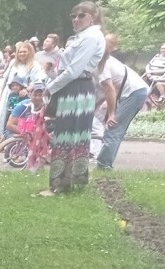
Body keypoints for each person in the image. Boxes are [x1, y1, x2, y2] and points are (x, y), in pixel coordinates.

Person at [42, 1, 105, 195]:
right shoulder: (83, 36)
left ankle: (61, 185)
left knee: (69, 133)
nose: (76, 19)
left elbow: (74, 70)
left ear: (92, 17)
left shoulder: (91, 37)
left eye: (81, 15)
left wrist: (50, 87)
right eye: (73, 16)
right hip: (75, 87)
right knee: (68, 133)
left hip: (77, 87)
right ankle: (65, 183)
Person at [96, 32, 150, 170]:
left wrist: (112, 114)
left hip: (135, 92)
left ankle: (104, 166)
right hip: (136, 91)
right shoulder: (103, 60)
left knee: (113, 127)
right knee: (115, 129)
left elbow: (110, 89)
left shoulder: (102, 63)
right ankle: (104, 164)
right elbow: (105, 91)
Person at [0, 42, 46, 136]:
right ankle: (2, 136)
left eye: (24, 52)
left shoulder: (35, 65)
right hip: (9, 93)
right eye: (20, 52)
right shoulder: (13, 63)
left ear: (29, 52)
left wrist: (27, 89)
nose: (22, 54)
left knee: (18, 116)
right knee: (5, 115)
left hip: (23, 95)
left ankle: (18, 138)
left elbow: (37, 80)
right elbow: (6, 78)